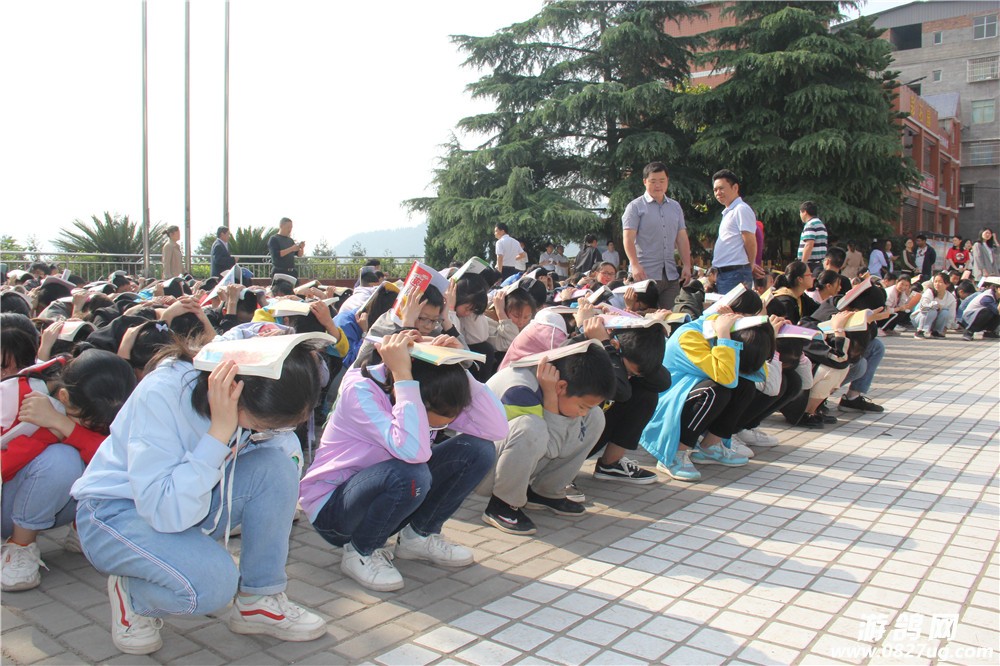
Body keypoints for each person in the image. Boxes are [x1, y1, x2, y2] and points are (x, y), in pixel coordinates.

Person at [71, 337, 328, 655]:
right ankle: (133, 593)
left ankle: (258, 599)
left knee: (276, 464)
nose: (270, 429)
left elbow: (280, 465)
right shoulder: (163, 393)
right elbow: (164, 512)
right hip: (117, 514)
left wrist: (253, 439)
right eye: (264, 424)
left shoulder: (246, 384)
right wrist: (219, 433)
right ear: (235, 396)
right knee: (213, 585)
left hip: (189, 500)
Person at [300, 332, 506, 591]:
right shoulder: (361, 389)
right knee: (412, 473)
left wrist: (456, 367)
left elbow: (497, 429)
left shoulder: (428, 388)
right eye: (435, 418)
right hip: (334, 511)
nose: (443, 423)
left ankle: (418, 537)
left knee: (478, 450)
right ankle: (361, 552)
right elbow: (413, 452)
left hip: (385, 490)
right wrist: (403, 378)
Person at [2, 351, 137, 592]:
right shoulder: (21, 395)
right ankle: (20, 547)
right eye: (89, 423)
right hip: (7, 508)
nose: (98, 428)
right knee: (62, 460)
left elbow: (121, 460)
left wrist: (62, 425)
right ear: (63, 397)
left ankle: (85, 529)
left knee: (107, 456)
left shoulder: (100, 401)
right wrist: (49, 433)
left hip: (58, 508)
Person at [479, 344, 615, 535]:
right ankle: (503, 504)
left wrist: (559, 405)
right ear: (561, 386)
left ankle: (545, 492)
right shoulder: (520, 390)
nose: (583, 412)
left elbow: (562, 447)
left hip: (515, 460)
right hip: (482, 472)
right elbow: (553, 449)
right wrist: (551, 399)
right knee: (531, 428)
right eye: (582, 406)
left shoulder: (560, 383)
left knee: (595, 417)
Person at [640, 291, 775, 482]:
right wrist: (724, 335)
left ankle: (710, 447)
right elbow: (726, 378)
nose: (749, 323)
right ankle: (674, 455)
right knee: (716, 390)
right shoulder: (691, 335)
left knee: (746, 386)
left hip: (690, 397)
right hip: (667, 405)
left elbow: (757, 374)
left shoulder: (726, 333)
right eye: (746, 317)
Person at [621, 162, 692, 310]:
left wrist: (686, 264)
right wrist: (634, 264)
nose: (658, 185)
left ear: (667, 181)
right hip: (644, 274)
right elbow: (628, 238)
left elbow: (682, 238)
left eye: (662, 181)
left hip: (670, 274)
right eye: (653, 181)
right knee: (643, 318)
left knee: (671, 318)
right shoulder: (635, 207)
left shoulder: (675, 207)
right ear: (645, 181)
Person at [711, 169, 757, 295]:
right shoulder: (729, 212)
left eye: (721, 188)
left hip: (736, 273)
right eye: (715, 190)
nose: (718, 193)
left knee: (734, 313)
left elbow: (750, 240)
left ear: (735, 187)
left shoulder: (741, 209)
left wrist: (750, 264)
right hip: (726, 274)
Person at [913, 273, 956, 339]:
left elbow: (951, 315)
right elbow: (923, 307)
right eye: (935, 282)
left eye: (940, 282)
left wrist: (946, 327)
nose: (937, 284)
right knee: (933, 309)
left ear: (947, 284)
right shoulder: (929, 292)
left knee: (945, 312)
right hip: (920, 318)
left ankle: (937, 332)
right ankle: (921, 331)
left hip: (934, 322)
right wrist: (934, 305)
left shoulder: (950, 298)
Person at [797, 201, 827, 274]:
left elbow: (809, 244)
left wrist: (803, 263)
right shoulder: (820, 224)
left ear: (805, 212)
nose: (800, 215)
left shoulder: (810, 224)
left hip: (811, 264)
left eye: (800, 212)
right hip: (819, 263)